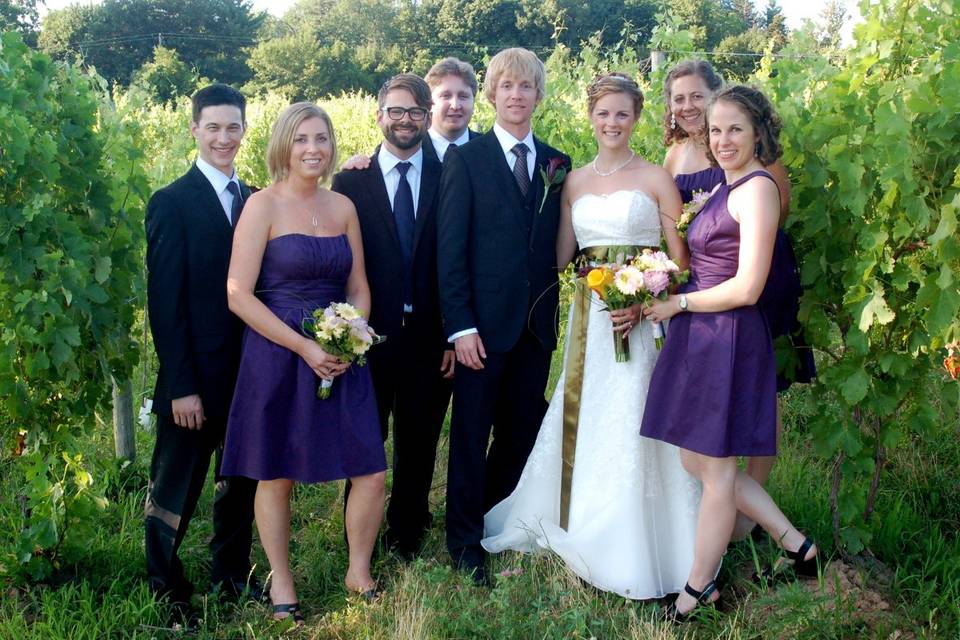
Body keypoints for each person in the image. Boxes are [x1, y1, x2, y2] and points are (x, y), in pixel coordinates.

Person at [481, 74, 700, 599]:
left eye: (622, 114)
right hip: (591, 319)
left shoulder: (655, 178)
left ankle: (652, 535)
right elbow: (560, 256)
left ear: (637, 117)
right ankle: (577, 516)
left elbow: (681, 259)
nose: (612, 123)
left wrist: (644, 297)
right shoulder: (573, 182)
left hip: (642, 320)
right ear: (590, 116)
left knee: (637, 415)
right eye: (603, 114)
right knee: (590, 411)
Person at [641, 85, 819, 621]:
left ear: (759, 131)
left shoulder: (758, 189)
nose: (723, 140)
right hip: (702, 333)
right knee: (695, 458)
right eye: (715, 130)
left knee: (715, 471)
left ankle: (694, 593)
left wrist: (679, 304)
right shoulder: (726, 184)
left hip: (729, 336)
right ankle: (796, 544)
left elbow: (747, 287)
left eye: (735, 129)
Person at [221, 102, 386, 623]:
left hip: (341, 354)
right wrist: (305, 347)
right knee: (277, 474)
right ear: (282, 147)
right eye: (302, 140)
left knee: (371, 470)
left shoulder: (343, 208)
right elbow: (238, 295)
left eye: (322, 139)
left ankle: (358, 572)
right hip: (279, 354)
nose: (314, 149)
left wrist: (349, 337)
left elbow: (358, 286)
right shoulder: (261, 206)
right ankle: (282, 580)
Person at [662, 60, 815, 537]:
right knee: (709, 425)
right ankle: (736, 512)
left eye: (696, 96)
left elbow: (775, 214)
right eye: (678, 98)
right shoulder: (673, 159)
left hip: (755, 281)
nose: (687, 105)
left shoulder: (750, 161)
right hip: (703, 282)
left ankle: (747, 520)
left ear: (715, 95)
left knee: (755, 401)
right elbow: (675, 228)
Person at [437, 47, 571, 585]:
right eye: (507, 87)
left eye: (526, 87)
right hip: (481, 331)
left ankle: (493, 515)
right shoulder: (465, 160)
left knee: (521, 432)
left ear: (539, 95)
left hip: (536, 327)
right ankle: (464, 541)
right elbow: (450, 251)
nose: (517, 96)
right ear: (491, 94)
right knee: (470, 435)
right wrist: (460, 326)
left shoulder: (556, 163)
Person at [144, 83, 261, 620]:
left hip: (249, 376)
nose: (223, 138)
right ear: (193, 129)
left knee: (239, 484)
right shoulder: (171, 202)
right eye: (212, 127)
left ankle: (231, 576)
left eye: (232, 127)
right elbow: (164, 306)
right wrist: (181, 385)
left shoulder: (257, 199)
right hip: (195, 380)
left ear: (244, 129)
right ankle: (164, 587)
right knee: (177, 487)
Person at [331, 73, 451, 559]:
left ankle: (406, 532)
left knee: (419, 438)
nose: (405, 120)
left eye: (415, 111)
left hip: (429, 332)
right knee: (365, 437)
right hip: (368, 334)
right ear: (379, 116)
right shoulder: (351, 181)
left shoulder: (449, 175)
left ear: (427, 117)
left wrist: (452, 334)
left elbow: (455, 261)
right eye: (396, 111)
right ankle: (357, 533)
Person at [422, 57, 482, 162]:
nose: (455, 105)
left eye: (463, 96)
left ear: (474, 101)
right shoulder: (412, 151)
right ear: (429, 102)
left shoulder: (491, 152)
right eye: (446, 96)